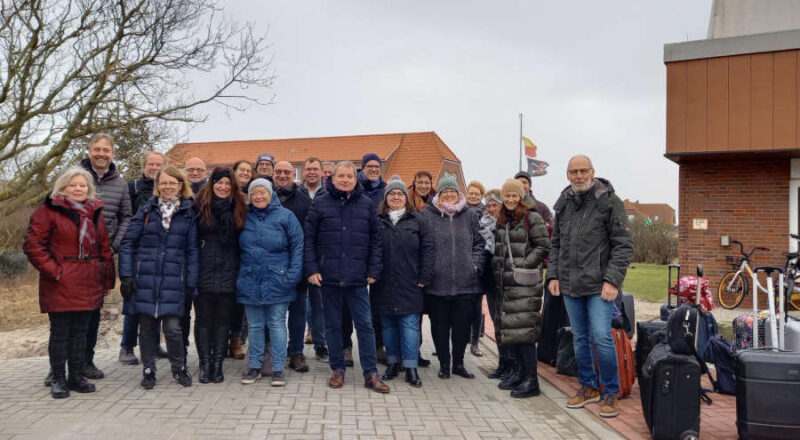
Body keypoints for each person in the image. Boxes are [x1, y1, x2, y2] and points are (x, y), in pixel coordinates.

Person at [546, 155, 633, 418]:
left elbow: (623, 244)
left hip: (599, 286)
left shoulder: (609, 202)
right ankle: (588, 387)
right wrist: (553, 276)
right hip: (571, 284)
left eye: (584, 171)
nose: (579, 176)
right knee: (579, 338)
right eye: (574, 171)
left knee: (602, 338)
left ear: (592, 172)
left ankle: (610, 391)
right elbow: (557, 244)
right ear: (567, 175)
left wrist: (613, 281)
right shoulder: (564, 204)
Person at [24, 167, 115, 399]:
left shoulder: (94, 212)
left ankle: (76, 376)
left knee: (80, 333)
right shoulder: (48, 211)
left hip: (88, 280)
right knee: (61, 333)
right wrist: (56, 271)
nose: (78, 189)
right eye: (73, 185)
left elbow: (104, 246)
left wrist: (106, 276)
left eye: (82, 185)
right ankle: (58, 378)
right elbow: (33, 245)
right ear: (62, 187)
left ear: (89, 189)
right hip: (61, 282)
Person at [304, 161, 390, 393]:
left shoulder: (367, 205)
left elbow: (376, 241)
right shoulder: (320, 204)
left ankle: (371, 373)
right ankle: (337, 369)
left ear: (355, 179)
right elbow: (309, 239)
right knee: (332, 326)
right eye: (340, 176)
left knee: (365, 326)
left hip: (357, 278)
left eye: (349, 176)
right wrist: (312, 269)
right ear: (332, 179)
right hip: (329, 277)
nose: (344, 180)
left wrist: (374, 270)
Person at [119, 166, 199, 390]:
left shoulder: (188, 213)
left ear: (180, 186)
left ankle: (179, 368)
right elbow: (127, 243)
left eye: (172, 183)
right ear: (157, 185)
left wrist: (190, 282)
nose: (167, 187)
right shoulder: (145, 211)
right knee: (146, 328)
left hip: (174, 280)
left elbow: (192, 250)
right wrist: (125, 275)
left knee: (173, 329)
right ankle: (148, 369)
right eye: (163, 183)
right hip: (145, 279)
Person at [419, 174, 486, 380]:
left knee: (461, 328)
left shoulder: (469, 216)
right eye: (444, 192)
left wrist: (475, 266)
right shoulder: (427, 215)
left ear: (458, 194)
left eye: (452, 192)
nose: (448, 195)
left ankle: (458, 363)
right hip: (437, 284)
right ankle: (444, 364)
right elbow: (421, 246)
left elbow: (479, 244)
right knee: (439, 326)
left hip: (465, 284)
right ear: (438, 194)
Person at [238, 178, 303, 386]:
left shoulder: (286, 216)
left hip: (278, 278)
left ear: (270, 194)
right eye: (254, 193)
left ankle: (277, 368)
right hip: (250, 280)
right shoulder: (243, 216)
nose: (258, 196)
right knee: (255, 326)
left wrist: (292, 276)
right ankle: (254, 366)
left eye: (262, 192)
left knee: (276, 324)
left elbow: (298, 246)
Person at [77, 133, 132, 381]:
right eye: (97, 149)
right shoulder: (74, 177)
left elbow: (126, 217)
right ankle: (59, 365)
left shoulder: (119, 183)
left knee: (92, 312)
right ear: (89, 151)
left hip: (101, 257)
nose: (101, 154)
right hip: (73, 257)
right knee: (65, 314)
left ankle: (86, 361)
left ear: (112, 153)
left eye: (106, 150)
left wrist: (115, 243)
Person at [372, 176, 434, 387]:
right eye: (392, 194)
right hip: (384, 282)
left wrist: (425, 276)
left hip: (410, 281)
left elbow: (428, 249)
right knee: (388, 325)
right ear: (386, 198)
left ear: (406, 198)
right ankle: (392, 363)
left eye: (400, 194)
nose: (396, 197)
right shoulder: (378, 220)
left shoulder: (417, 220)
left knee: (409, 325)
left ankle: (411, 368)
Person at [490, 179, 549, 398]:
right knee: (513, 331)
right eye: (507, 196)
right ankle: (520, 373)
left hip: (525, 283)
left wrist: (524, 265)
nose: (511, 199)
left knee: (524, 333)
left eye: (514, 196)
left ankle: (532, 380)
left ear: (521, 197)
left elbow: (543, 246)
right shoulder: (503, 219)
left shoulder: (532, 218)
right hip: (507, 284)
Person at [193, 168, 247, 384]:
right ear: (211, 183)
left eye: (227, 183)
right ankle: (205, 364)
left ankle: (218, 364)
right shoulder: (199, 205)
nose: (223, 186)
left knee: (223, 321)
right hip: (204, 268)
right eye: (219, 182)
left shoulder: (240, 207)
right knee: (204, 320)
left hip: (229, 269)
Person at [120, 150, 168, 365]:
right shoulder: (133, 187)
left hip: (161, 252)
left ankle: (154, 345)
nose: (155, 167)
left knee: (156, 299)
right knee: (134, 302)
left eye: (159, 164)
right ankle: (127, 347)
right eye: (151, 163)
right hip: (138, 251)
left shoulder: (167, 189)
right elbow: (126, 217)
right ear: (144, 166)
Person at [273, 161, 313, 373]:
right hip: (270, 268)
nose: (282, 175)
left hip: (296, 266)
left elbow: (309, 237)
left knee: (297, 313)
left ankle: (296, 352)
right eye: (278, 171)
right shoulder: (264, 197)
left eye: (286, 172)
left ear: (293, 175)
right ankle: (272, 353)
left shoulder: (305, 202)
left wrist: (306, 267)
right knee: (273, 314)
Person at [299, 157, 329, 361]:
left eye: (315, 169)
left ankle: (320, 343)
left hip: (321, 258)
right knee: (298, 304)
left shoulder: (328, 194)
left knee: (319, 305)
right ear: (303, 172)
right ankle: (295, 348)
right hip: (297, 256)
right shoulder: (296, 194)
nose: (311, 172)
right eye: (308, 169)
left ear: (321, 172)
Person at [228, 159, 255, 359]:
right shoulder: (225, 192)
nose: (245, 173)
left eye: (248, 170)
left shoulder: (250, 197)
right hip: (225, 252)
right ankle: (222, 341)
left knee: (239, 302)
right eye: (241, 170)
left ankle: (236, 341)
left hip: (244, 253)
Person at [465, 179, 487, 357]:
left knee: (476, 307)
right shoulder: (459, 211)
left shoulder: (485, 215)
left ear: (481, 196)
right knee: (457, 306)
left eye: (476, 194)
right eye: (470, 193)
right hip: (461, 265)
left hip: (478, 265)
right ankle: (457, 341)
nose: (473, 196)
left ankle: (474, 343)